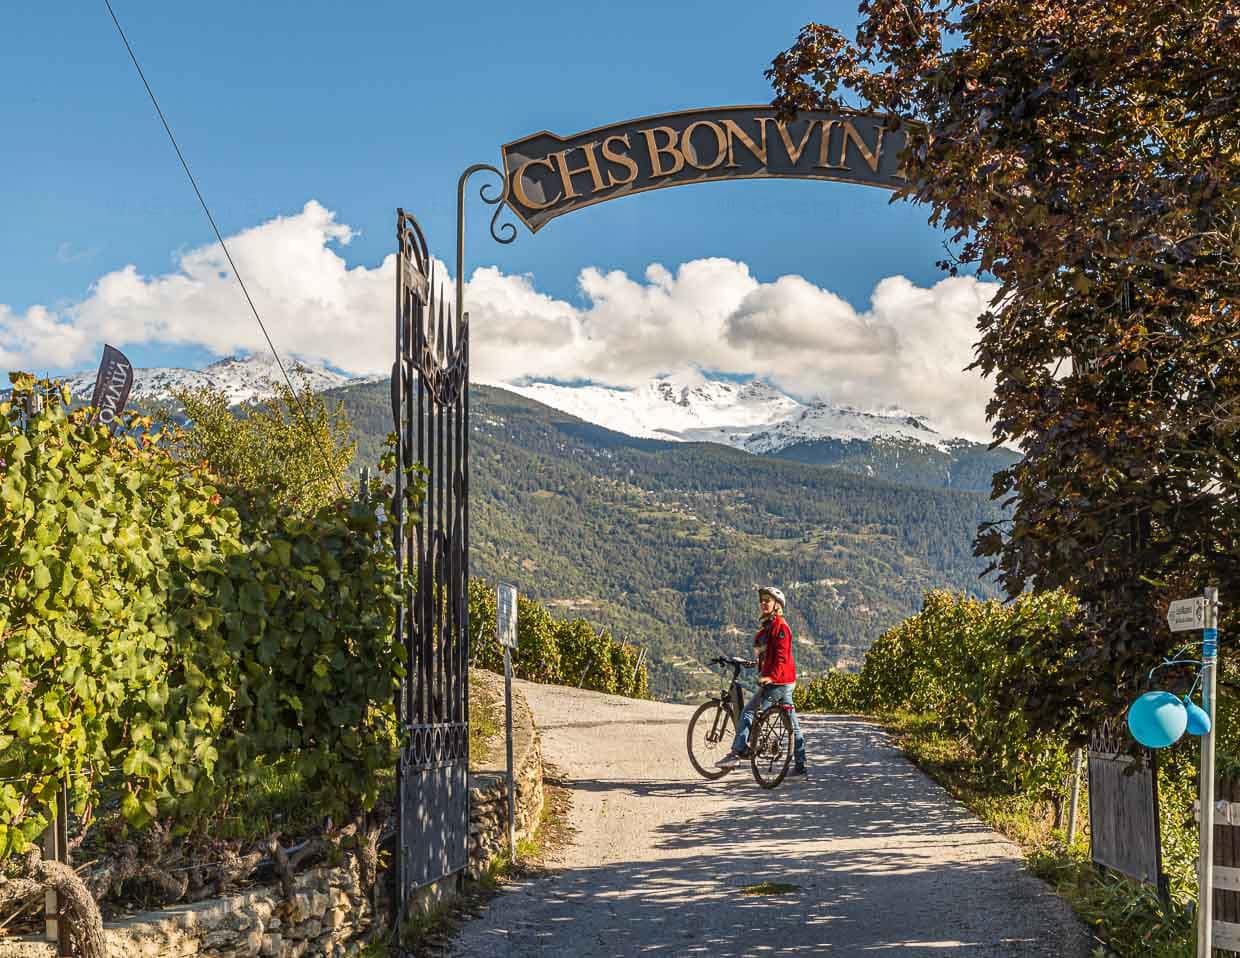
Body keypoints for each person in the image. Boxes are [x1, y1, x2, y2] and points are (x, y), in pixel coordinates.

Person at [715, 585, 807, 775]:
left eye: (768, 600)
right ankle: (800, 764)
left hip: (778, 682)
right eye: (762, 600)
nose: (763, 603)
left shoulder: (781, 627)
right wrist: (752, 663)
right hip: (785, 680)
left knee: (748, 712)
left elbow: (781, 657)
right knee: (792, 721)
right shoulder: (769, 626)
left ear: (777, 605)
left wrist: (770, 676)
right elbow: (767, 655)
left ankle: (736, 752)